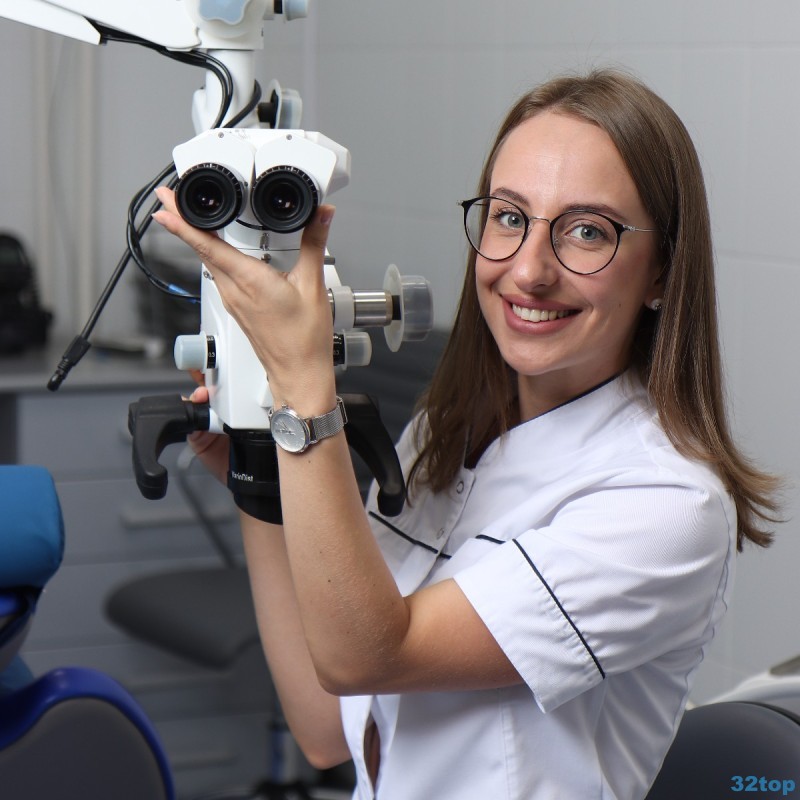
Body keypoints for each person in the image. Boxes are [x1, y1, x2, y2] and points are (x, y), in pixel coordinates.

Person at [153, 68, 780, 799]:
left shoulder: (664, 503)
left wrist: (302, 386)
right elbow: (327, 724)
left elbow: (367, 657)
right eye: (509, 217)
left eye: (587, 231)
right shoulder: (446, 435)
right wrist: (262, 471)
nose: (529, 270)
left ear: (663, 272)